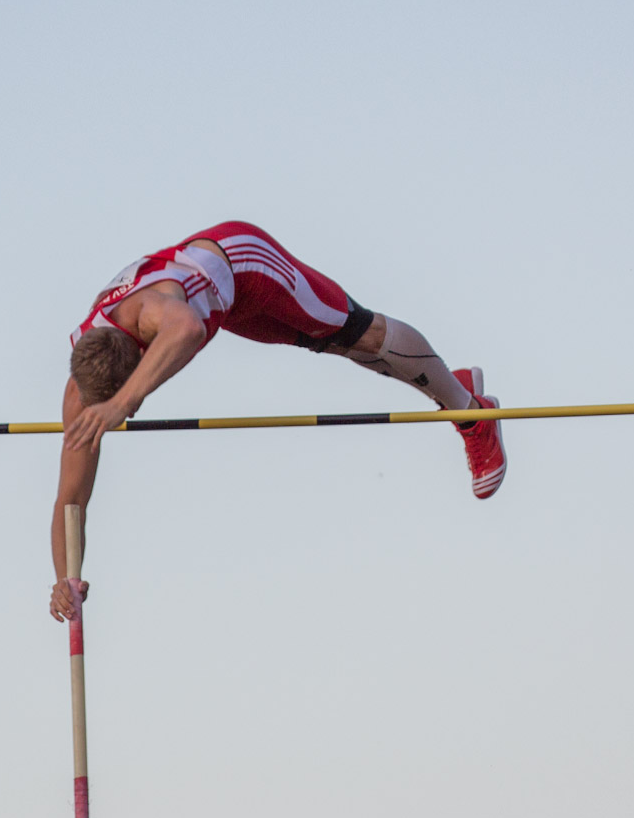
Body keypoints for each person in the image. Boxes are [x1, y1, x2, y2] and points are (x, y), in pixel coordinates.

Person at [50, 221, 506, 621]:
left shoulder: (150, 313)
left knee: (359, 332)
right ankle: (454, 387)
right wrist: (66, 579)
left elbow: (186, 329)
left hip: (245, 262)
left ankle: (473, 414)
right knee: (332, 345)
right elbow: (71, 498)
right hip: (225, 301)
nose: (121, 413)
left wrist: (125, 401)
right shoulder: (82, 387)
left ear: (139, 356)